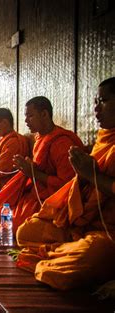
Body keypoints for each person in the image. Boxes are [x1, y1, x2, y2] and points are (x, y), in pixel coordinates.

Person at [15, 77, 115, 290]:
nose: (96, 108)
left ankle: (62, 251)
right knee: (24, 232)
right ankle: (65, 246)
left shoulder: (61, 141)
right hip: (76, 220)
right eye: (95, 101)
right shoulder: (103, 140)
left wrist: (91, 175)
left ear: (44, 114)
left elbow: (65, 183)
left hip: (106, 231)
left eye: (103, 101)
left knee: (84, 259)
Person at [0, 96, 84, 232]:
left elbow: (68, 186)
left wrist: (32, 172)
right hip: (32, 192)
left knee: (11, 226)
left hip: (51, 200)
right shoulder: (40, 139)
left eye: (30, 116)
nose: (26, 121)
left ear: (44, 114)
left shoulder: (62, 143)